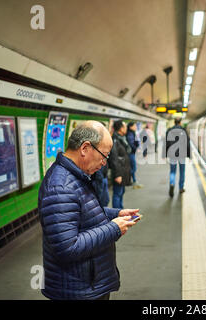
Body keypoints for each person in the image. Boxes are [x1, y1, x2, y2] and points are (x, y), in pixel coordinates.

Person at [38, 120, 140, 300]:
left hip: (86, 284)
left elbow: (82, 214)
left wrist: (116, 214)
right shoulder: (61, 187)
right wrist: (113, 229)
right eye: (104, 155)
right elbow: (67, 247)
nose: (104, 163)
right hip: (77, 290)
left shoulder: (75, 176)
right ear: (85, 148)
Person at [165, 118, 190, 197]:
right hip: (182, 154)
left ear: (174, 122)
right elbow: (187, 143)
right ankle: (181, 188)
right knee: (182, 171)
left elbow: (167, 143)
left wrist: (166, 154)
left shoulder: (169, 130)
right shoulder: (183, 130)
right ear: (180, 122)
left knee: (172, 171)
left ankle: (172, 184)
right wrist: (189, 154)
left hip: (172, 154)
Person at [109, 120, 132, 208]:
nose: (126, 129)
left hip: (123, 170)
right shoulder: (115, 140)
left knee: (121, 192)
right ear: (121, 128)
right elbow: (114, 158)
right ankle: (117, 213)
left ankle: (121, 211)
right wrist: (117, 175)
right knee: (117, 193)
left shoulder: (122, 138)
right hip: (119, 171)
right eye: (125, 127)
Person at [126, 122, 143, 189]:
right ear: (130, 127)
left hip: (132, 152)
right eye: (134, 126)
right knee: (133, 167)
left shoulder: (132, 133)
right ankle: (131, 180)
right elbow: (131, 143)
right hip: (131, 153)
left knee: (132, 167)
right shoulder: (130, 134)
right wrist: (136, 149)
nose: (136, 127)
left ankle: (133, 180)